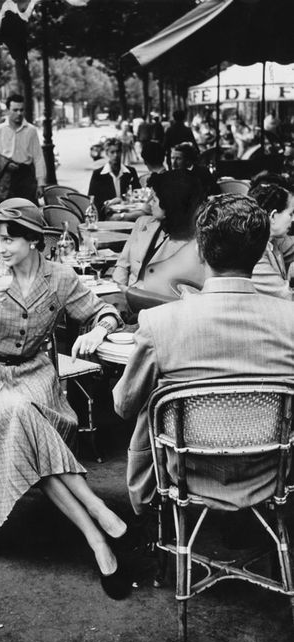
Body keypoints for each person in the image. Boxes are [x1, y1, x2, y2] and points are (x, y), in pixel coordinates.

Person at [0, 198, 135, 600]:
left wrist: (98, 331)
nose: (0, 248)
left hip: (36, 376)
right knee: (19, 414)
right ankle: (97, 530)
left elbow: (103, 311)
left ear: (35, 241)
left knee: (24, 416)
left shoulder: (59, 277)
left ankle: (97, 534)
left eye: (10, 240)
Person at [113, 194, 294, 517]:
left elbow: (123, 405)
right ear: (260, 252)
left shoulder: (160, 322)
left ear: (199, 251)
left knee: (151, 399)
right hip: (272, 472)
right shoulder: (290, 320)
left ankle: (149, 510)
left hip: (187, 473)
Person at [113, 170, 205, 295]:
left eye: (154, 199)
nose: (149, 203)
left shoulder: (193, 242)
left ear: (169, 204)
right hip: (125, 296)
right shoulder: (142, 224)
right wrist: (119, 289)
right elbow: (123, 265)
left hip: (159, 304)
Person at [0, 93, 45, 204]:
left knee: (27, 212)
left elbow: (38, 157)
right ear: (8, 110)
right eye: (15, 110)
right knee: (5, 212)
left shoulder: (31, 130)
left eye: (21, 110)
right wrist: (3, 164)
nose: (19, 113)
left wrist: (40, 183)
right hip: (5, 177)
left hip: (26, 176)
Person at [248, 182, 294, 300]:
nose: (293, 219)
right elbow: (287, 296)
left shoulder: (272, 242)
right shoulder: (254, 254)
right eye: (291, 214)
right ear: (273, 216)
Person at [88, 138, 140, 219]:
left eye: (118, 152)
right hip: (108, 217)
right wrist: (109, 202)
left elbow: (138, 194)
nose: (115, 155)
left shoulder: (130, 172)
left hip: (129, 215)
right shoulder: (98, 174)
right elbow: (93, 200)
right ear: (107, 154)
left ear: (121, 152)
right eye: (112, 152)